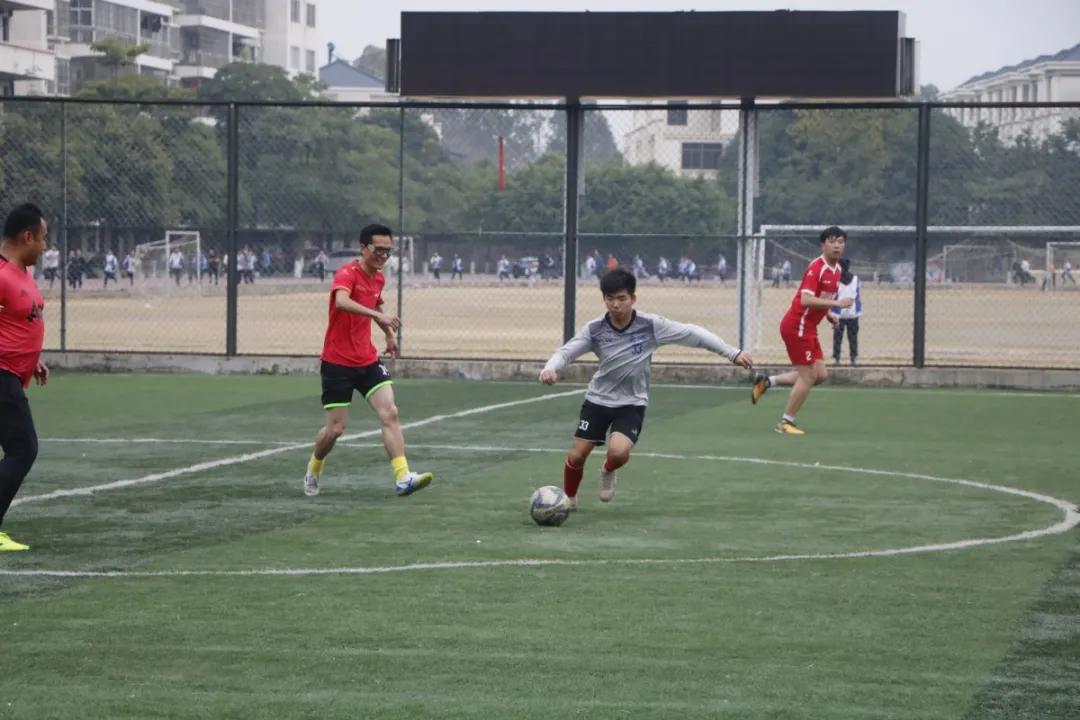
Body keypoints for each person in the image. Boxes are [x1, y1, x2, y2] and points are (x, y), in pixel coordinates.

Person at [539, 268, 752, 509]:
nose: (616, 304)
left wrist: (732, 353)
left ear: (633, 298)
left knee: (618, 453)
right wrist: (550, 368)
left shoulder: (650, 325)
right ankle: (568, 500)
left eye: (622, 298)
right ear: (604, 299)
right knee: (577, 454)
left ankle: (608, 469)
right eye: (610, 298)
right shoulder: (595, 329)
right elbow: (566, 352)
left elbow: (693, 333)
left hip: (631, 403)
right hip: (598, 399)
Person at [303, 223, 433, 498]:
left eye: (388, 250)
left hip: (367, 361)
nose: (384, 256)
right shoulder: (347, 273)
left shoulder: (378, 278)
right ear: (363, 248)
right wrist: (379, 316)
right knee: (335, 430)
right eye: (378, 250)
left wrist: (388, 334)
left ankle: (403, 477)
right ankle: (314, 467)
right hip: (337, 363)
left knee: (390, 412)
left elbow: (376, 302)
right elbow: (342, 301)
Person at [752, 226, 853, 435]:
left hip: (809, 328)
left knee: (820, 375)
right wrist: (837, 304)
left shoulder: (837, 269)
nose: (836, 245)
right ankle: (785, 422)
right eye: (832, 241)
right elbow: (806, 299)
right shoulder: (817, 268)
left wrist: (828, 314)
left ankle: (767, 382)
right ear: (823, 245)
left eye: (840, 241)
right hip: (797, 326)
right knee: (807, 376)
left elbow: (821, 298)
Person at [0, 203, 49, 552]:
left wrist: (33, 359)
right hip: (1, 376)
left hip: (14, 374)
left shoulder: (22, 274)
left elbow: (17, 323)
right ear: (27, 237)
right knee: (23, 448)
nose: (45, 247)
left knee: (19, 448)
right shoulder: (2, 275)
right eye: (43, 238)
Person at [830, 258, 862, 366]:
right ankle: (853, 359)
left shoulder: (835, 279)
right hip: (853, 313)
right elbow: (858, 294)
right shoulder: (856, 279)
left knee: (837, 338)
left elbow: (833, 296)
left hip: (838, 313)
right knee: (853, 338)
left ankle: (837, 359)